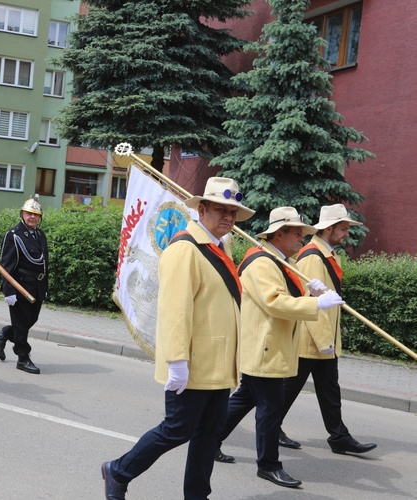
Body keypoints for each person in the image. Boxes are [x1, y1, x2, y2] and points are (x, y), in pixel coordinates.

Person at [101, 177, 254, 500]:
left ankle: (197, 495)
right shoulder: (185, 249)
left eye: (233, 212)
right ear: (202, 209)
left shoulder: (220, 247)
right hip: (193, 364)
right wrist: (177, 361)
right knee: (176, 430)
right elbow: (174, 310)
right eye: (221, 210)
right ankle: (118, 470)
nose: (228, 217)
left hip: (218, 365)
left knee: (208, 436)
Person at [214, 206, 345, 489]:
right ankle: (268, 465)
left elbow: (289, 293)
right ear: (279, 234)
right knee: (271, 408)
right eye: (297, 233)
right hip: (264, 346)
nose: (302, 238)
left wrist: (312, 290)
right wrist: (316, 303)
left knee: (244, 399)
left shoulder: (280, 260)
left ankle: (210, 439)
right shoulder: (262, 262)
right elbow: (275, 301)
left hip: (268, 345)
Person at [278, 204, 377, 455]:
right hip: (310, 340)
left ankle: (338, 436)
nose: (346, 234)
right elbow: (310, 301)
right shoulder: (313, 255)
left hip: (322, 342)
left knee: (329, 390)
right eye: (343, 229)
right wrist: (324, 341)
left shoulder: (328, 253)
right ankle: (262, 428)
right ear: (329, 229)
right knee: (287, 390)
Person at [0, 194, 49, 374]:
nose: (32, 217)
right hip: (20, 285)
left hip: (36, 286)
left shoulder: (40, 235)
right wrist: (9, 291)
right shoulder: (14, 235)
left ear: (40, 217)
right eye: (28, 213)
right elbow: (6, 266)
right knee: (22, 323)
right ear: (22, 214)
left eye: (36, 214)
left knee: (31, 320)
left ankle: (3, 336)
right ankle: (23, 357)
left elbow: (45, 264)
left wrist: (44, 288)